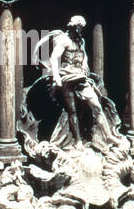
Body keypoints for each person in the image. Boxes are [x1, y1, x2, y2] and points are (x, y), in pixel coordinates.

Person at [46, 15, 121, 150]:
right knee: (72, 111)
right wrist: (56, 77)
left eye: (81, 29)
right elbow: (54, 57)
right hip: (66, 78)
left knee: (97, 106)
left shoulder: (81, 41)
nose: (80, 31)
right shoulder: (63, 40)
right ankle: (78, 141)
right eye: (79, 28)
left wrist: (85, 64)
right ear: (73, 27)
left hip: (80, 78)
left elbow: (84, 55)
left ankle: (108, 136)